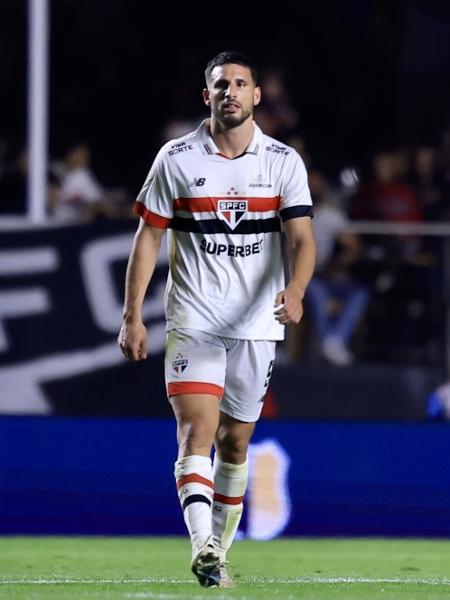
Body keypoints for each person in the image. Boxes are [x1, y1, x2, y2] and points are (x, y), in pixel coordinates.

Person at [118, 51, 316, 588]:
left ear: (256, 95)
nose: (230, 91)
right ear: (206, 96)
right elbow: (149, 236)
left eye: (240, 83)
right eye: (220, 84)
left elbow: (301, 238)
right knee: (195, 433)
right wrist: (132, 314)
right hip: (194, 318)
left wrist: (296, 289)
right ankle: (201, 541)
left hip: (256, 325)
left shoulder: (282, 161)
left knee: (234, 444)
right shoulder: (177, 158)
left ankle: (218, 554)